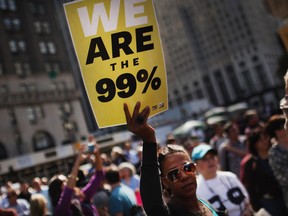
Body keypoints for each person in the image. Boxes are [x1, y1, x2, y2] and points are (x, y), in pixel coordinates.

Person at [124, 101, 220, 216]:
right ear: (165, 182)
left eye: (188, 168)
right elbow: (153, 206)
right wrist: (149, 139)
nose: (184, 176)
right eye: (174, 174)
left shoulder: (205, 203)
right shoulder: (170, 213)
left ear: (195, 169)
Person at [48, 135, 104, 216]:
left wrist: (97, 154)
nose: (68, 181)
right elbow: (68, 190)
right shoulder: (61, 209)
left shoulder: (79, 196)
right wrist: (78, 161)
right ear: (57, 188)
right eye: (64, 181)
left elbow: (98, 175)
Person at [192, 143, 252, 216]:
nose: (210, 161)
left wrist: (248, 211)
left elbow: (247, 203)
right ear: (196, 165)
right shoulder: (196, 190)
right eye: (204, 159)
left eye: (212, 157)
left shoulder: (230, 176)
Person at [240, 128, 287, 215]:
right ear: (254, 144)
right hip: (267, 202)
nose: (265, 141)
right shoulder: (250, 162)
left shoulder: (275, 155)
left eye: (265, 138)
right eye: (260, 140)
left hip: (283, 197)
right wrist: (257, 206)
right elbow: (250, 187)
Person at [266, 114, 288, 211]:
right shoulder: (274, 152)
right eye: (278, 129)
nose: (283, 130)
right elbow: (283, 179)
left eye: (283, 126)